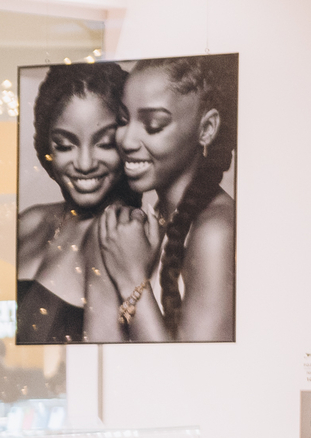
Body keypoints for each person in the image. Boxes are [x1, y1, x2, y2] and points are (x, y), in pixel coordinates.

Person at [98, 53, 237, 342]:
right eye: (124, 120)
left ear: (207, 128)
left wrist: (131, 277)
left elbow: (189, 373)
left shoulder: (215, 231)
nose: (126, 140)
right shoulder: (158, 216)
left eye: (153, 125)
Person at [17, 62, 136, 344]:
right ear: (47, 147)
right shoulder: (29, 221)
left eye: (105, 143)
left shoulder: (121, 236)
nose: (84, 163)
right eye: (65, 145)